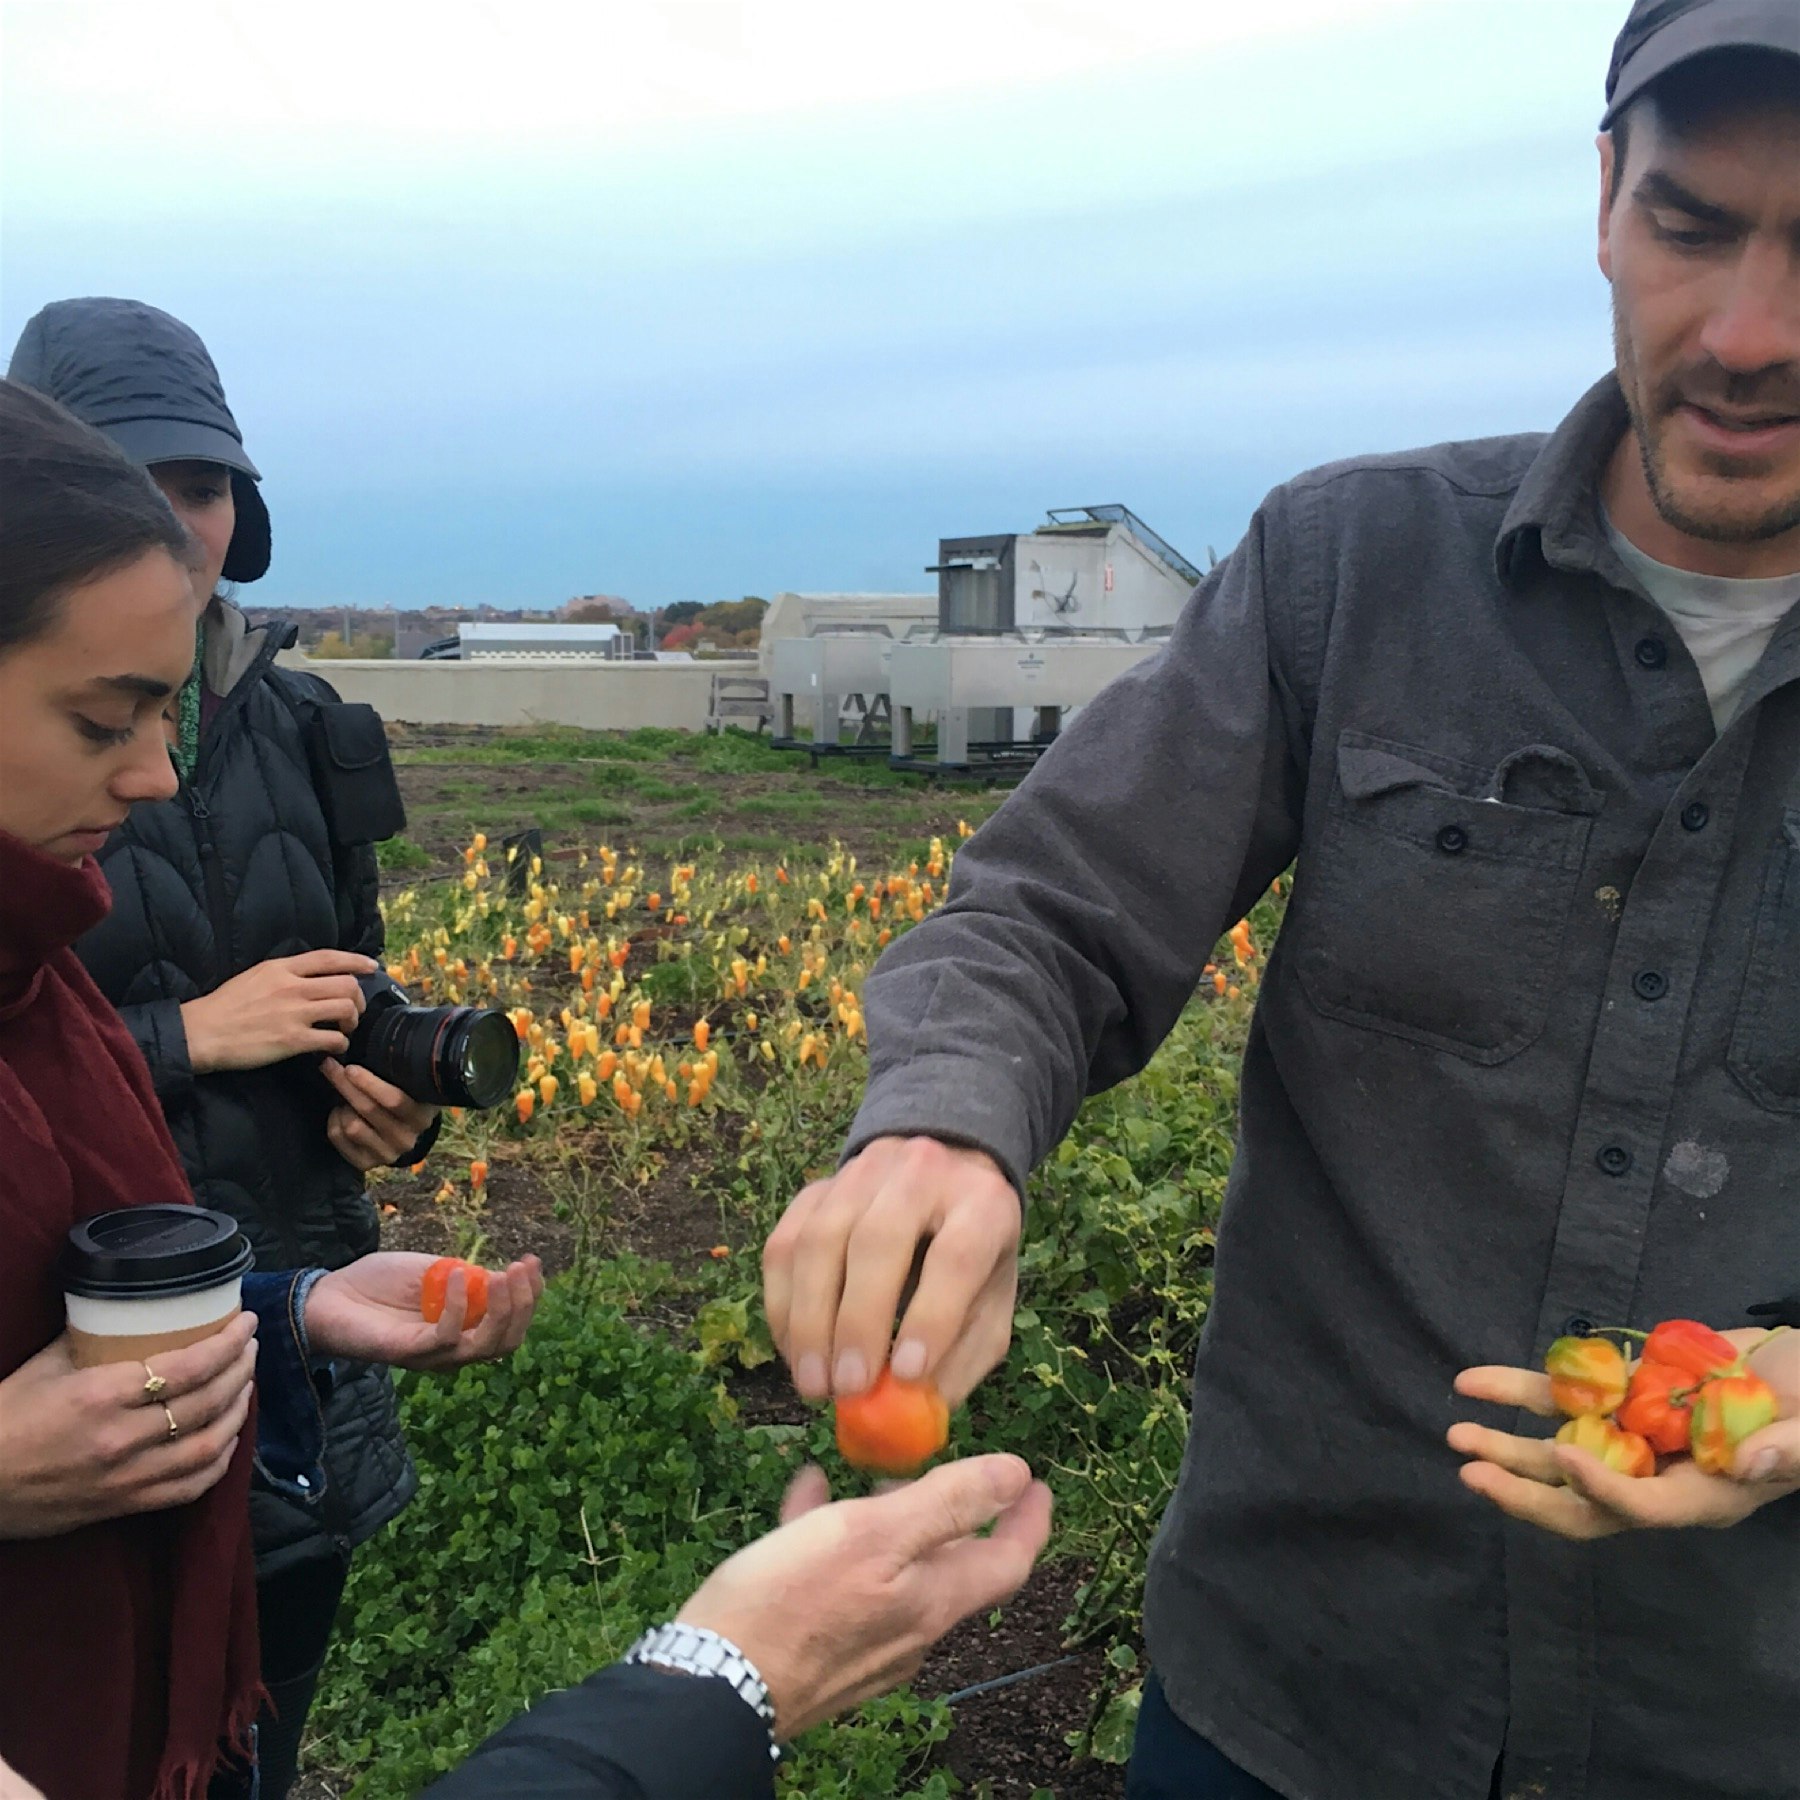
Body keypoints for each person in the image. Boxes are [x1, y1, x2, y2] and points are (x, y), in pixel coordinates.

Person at [762, 5, 1800, 1798]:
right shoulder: (1354, 570)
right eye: (1693, 226)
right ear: (1606, 202)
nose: (1748, 336)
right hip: (1298, 1694)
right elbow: (1051, 910)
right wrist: (939, 1126)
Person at [0, 378, 542, 1799]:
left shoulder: (35, 965)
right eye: (103, 718)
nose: (156, 778)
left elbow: (70, 1294)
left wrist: (295, 1308)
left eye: (210, 482)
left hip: (177, 1600)